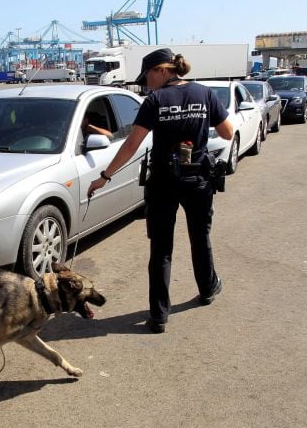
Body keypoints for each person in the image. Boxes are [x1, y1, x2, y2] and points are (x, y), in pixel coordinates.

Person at [87, 48, 234, 334]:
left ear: (163, 71)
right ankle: (207, 289)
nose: (145, 83)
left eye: (147, 76)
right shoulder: (205, 94)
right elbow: (227, 132)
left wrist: (105, 176)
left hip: (163, 182)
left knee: (161, 249)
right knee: (200, 237)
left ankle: (158, 316)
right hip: (197, 179)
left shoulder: (155, 101)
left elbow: (131, 145)